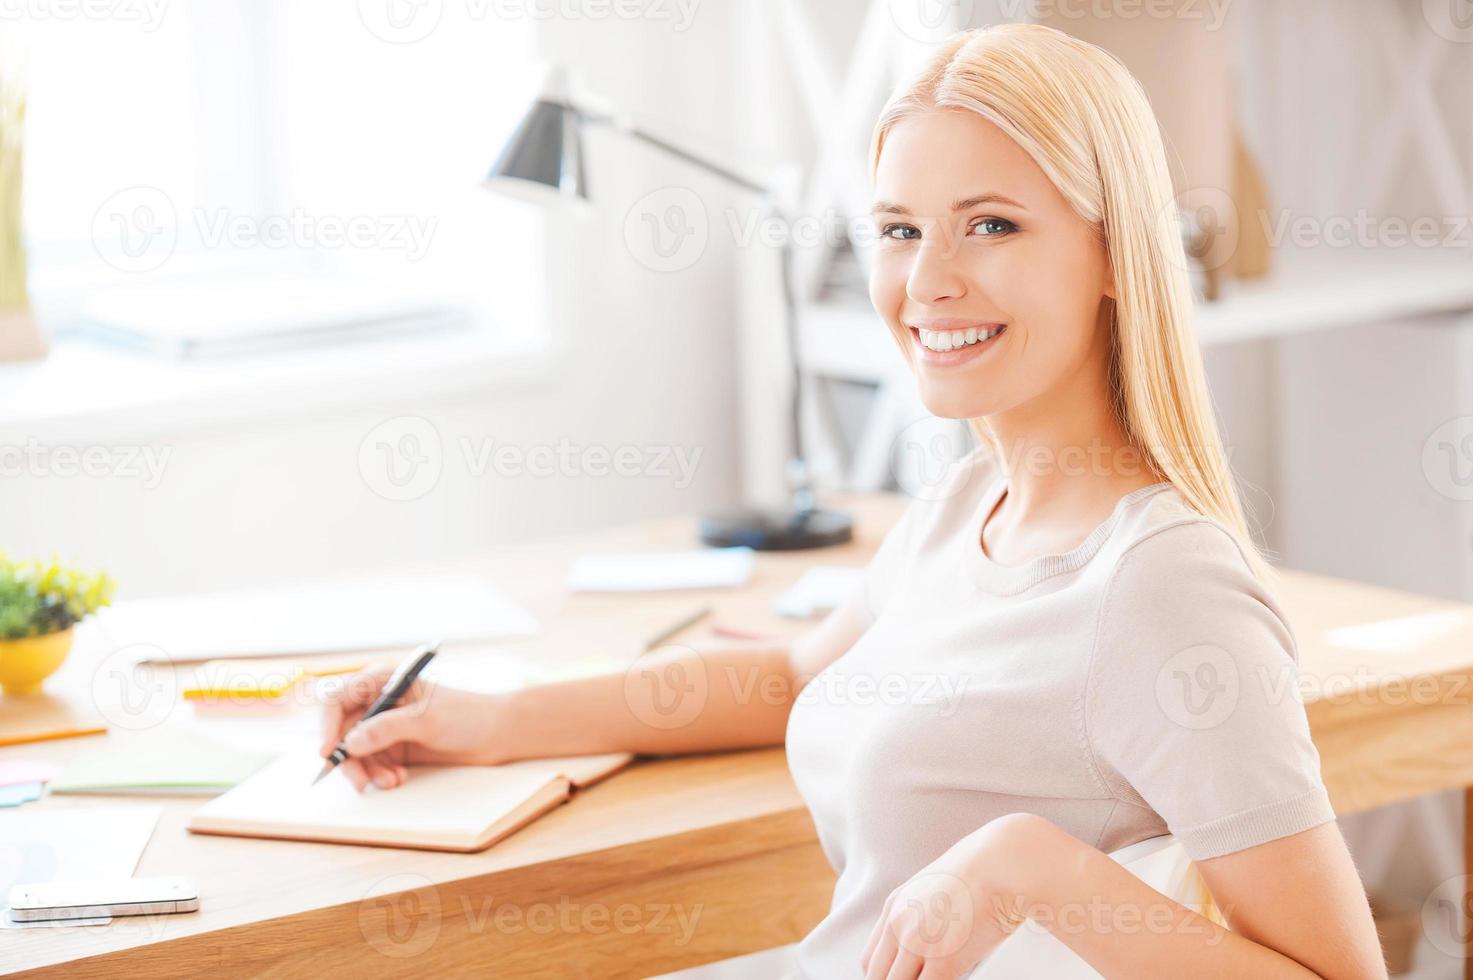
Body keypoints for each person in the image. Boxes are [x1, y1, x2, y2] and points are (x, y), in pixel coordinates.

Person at [320, 24, 1387, 979]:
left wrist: (1030, 865)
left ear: (1114, 254)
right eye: (900, 229)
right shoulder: (967, 503)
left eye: (993, 226)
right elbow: (787, 676)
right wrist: (490, 717)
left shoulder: (1165, 589)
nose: (927, 281)